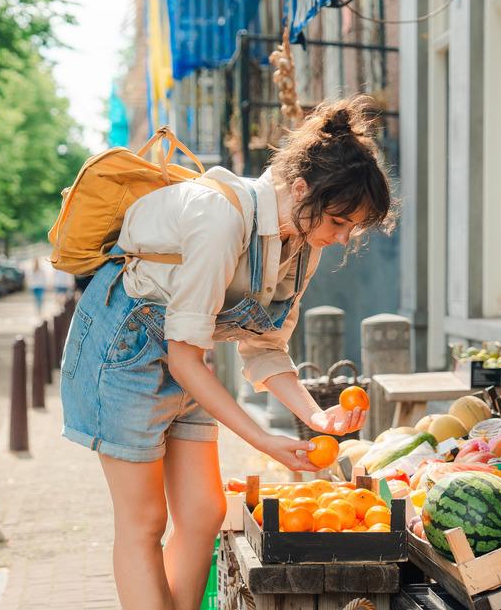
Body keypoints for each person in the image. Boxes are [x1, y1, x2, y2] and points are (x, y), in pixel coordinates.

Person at [59, 96, 394, 610]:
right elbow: (183, 358)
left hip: (184, 354)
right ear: (301, 189)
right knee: (144, 520)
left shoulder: (301, 244)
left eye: (353, 228)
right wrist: (261, 438)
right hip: (122, 347)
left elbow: (264, 347)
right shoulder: (221, 220)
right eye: (339, 221)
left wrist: (314, 415)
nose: (342, 237)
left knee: (203, 513)